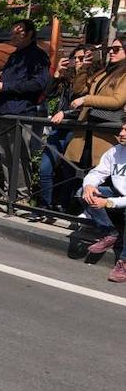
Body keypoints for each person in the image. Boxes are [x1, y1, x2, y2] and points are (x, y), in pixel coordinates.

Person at [0, 19, 51, 202]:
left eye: (17, 32)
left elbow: (38, 83)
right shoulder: (14, 56)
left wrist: (4, 85)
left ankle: (22, 197)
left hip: (20, 112)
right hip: (3, 110)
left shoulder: (38, 55)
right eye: (12, 32)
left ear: (29, 34)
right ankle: (9, 193)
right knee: (5, 156)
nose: (11, 35)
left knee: (20, 157)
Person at [34, 45, 90, 218]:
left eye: (82, 59)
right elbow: (48, 94)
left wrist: (64, 113)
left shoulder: (92, 78)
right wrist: (57, 73)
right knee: (45, 167)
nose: (78, 62)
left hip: (76, 127)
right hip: (59, 127)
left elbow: (86, 106)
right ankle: (45, 204)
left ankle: (63, 206)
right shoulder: (67, 77)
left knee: (69, 170)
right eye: (76, 58)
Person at [65, 35, 126, 168]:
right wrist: (85, 68)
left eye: (116, 49)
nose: (111, 52)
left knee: (98, 179)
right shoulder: (104, 72)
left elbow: (117, 101)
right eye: (110, 49)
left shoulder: (124, 75)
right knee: (77, 175)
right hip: (86, 131)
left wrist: (87, 100)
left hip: (106, 134)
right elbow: (79, 89)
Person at [80, 113, 126, 282]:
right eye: (122, 128)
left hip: (120, 201)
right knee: (83, 193)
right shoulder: (115, 151)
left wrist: (108, 202)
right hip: (119, 198)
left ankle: (124, 262)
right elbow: (97, 172)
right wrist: (89, 185)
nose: (121, 133)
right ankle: (111, 233)